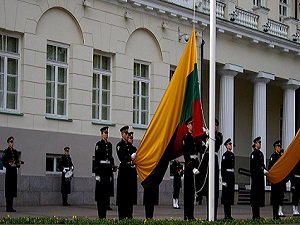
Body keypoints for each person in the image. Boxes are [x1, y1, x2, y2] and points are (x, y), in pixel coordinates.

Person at [197, 119, 222, 220]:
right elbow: (199, 143)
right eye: (213, 125)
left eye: (216, 125)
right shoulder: (206, 135)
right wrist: (204, 134)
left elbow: (218, 142)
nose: (215, 127)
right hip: (206, 161)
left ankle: (213, 216)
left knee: (214, 191)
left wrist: (209, 135)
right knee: (207, 189)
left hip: (214, 161)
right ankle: (208, 216)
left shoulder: (219, 135)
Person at [182, 117, 205, 220]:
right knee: (188, 192)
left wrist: (206, 142)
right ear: (187, 126)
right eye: (190, 124)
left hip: (196, 163)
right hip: (189, 166)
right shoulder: (186, 138)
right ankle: (186, 215)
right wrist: (192, 168)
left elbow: (201, 150)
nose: (192, 125)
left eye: (193, 124)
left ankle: (191, 215)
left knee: (193, 192)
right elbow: (186, 156)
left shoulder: (195, 137)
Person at [116, 126, 136, 219]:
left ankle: (129, 215)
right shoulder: (120, 145)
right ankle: (122, 216)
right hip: (124, 173)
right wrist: (130, 158)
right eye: (126, 133)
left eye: (128, 133)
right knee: (122, 196)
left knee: (129, 196)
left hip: (130, 173)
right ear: (122, 134)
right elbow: (122, 158)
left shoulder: (130, 146)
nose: (127, 135)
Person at [94, 126, 114, 218]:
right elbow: (97, 160)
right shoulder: (99, 144)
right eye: (105, 133)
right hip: (101, 173)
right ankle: (100, 215)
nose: (106, 134)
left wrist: (111, 172)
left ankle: (104, 216)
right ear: (101, 134)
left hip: (107, 172)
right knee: (100, 196)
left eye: (107, 133)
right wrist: (97, 174)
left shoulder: (109, 145)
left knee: (106, 195)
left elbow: (110, 158)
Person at [2, 136, 23, 212]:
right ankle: (8, 207)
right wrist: (9, 164)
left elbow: (18, 162)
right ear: (8, 143)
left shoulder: (15, 152)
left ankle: (11, 207)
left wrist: (17, 165)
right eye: (10, 142)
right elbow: (4, 162)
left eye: (12, 142)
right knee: (8, 190)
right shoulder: (6, 152)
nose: (12, 143)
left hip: (14, 172)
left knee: (12, 190)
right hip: (9, 173)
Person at [250, 136, 268, 219]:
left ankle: (258, 215)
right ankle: (255, 215)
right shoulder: (253, 154)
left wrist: (264, 169)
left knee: (259, 196)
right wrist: (260, 171)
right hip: (256, 178)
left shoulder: (261, 154)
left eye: (260, 142)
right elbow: (253, 167)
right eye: (259, 142)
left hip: (260, 178)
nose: (260, 144)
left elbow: (262, 165)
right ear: (255, 144)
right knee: (255, 197)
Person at [268, 140, 285, 219]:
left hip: (280, 180)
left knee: (279, 197)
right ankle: (275, 214)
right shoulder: (273, 156)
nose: (279, 148)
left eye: (280, 147)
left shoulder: (280, 156)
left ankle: (277, 214)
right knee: (275, 198)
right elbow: (271, 168)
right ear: (275, 148)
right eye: (278, 147)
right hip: (275, 180)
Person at [221, 138, 235, 220]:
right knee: (226, 198)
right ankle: (226, 215)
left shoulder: (232, 155)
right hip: (226, 177)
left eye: (231, 144)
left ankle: (229, 215)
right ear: (226, 146)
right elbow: (223, 169)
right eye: (229, 144)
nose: (230, 145)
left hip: (231, 177)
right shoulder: (225, 155)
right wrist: (224, 181)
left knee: (230, 197)